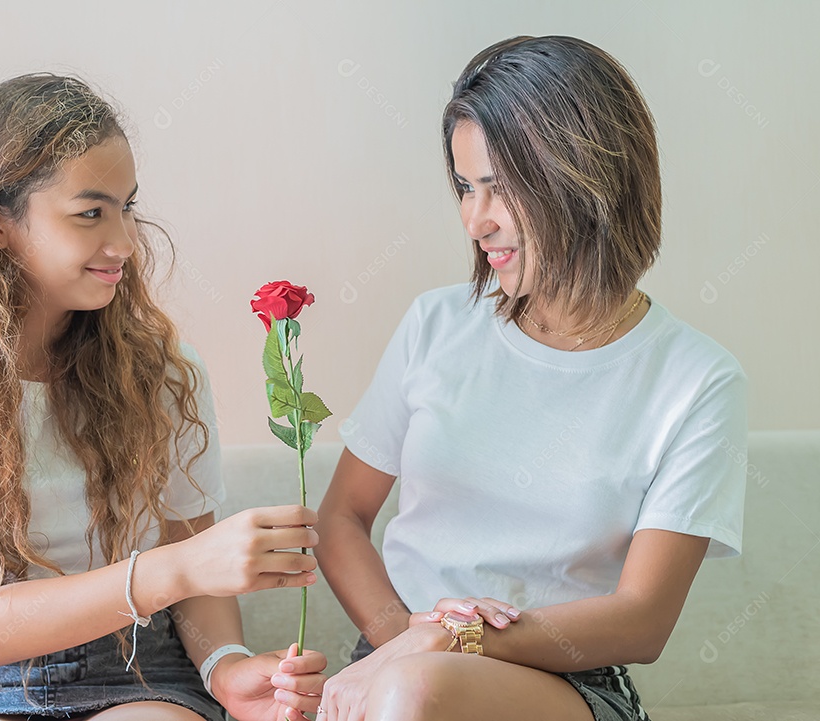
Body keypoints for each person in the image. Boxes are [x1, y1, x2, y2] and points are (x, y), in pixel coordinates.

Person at [0, 73, 325, 721]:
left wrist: (226, 665)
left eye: (127, 207)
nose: (124, 242)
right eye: (91, 212)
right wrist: (179, 567)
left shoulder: (166, 376)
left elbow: (193, 572)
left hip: (140, 669)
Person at [310, 36, 747, 721]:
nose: (475, 220)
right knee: (408, 690)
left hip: (565, 683)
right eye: (464, 186)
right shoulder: (435, 325)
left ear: (588, 179)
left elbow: (642, 620)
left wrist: (456, 641)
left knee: (415, 692)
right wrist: (406, 637)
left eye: (502, 188)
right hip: (395, 665)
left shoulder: (697, 380)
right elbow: (340, 518)